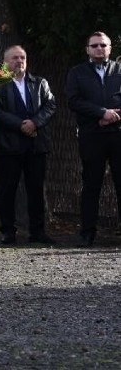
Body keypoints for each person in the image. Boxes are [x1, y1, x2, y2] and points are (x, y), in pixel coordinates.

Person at [0, 45, 57, 245]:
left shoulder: (40, 83)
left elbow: (51, 105)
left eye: (22, 57)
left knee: (36, 190)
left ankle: (37, 232)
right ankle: (8, 232)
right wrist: (20, 125)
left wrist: (35, 122)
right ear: (5, 61)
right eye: (14, 58)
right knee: (7, 190)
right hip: (9, 146)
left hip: (36, 145)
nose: (19, 61)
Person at [65, 31, 121, 247]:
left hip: (118, 134)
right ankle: (87, 233)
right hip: (92, 136)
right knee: (91, 185)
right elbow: (74, 101)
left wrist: (113, 116)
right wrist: (101, 113)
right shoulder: (77, 72)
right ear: (87, 49)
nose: (99, 49)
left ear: (110, 48)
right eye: (94, 45)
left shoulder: (119, 70)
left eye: (103, 45)